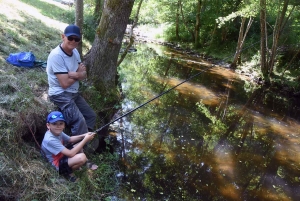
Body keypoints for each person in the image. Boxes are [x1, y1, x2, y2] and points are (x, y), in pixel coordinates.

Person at [46, 24, 97, 136]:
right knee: (79, 121)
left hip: (74, 93)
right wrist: (78, 74)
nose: (73, 41)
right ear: (63, 36)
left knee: (91, 116)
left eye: (76, 39)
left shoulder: (75, 52)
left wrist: (74, 74)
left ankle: (83, 140)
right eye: (70, 38)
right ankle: (77, 150)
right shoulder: (56, 56)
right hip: (60, 94)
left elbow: (84, 74)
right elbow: (64, 84)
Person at [41, 111, 97, 182]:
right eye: (54, 124)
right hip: (56, 163)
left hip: (61, 155)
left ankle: (83, 162)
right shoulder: (50, 139)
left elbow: (70, 139)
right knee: (82, 157)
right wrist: (85, 139)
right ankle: (67, 173)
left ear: (64, 125)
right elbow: (70, 154)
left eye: (61, 123)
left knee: (78, 144)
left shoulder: (58, 131)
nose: (58, 126)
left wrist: (84, 135)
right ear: (48, 125)